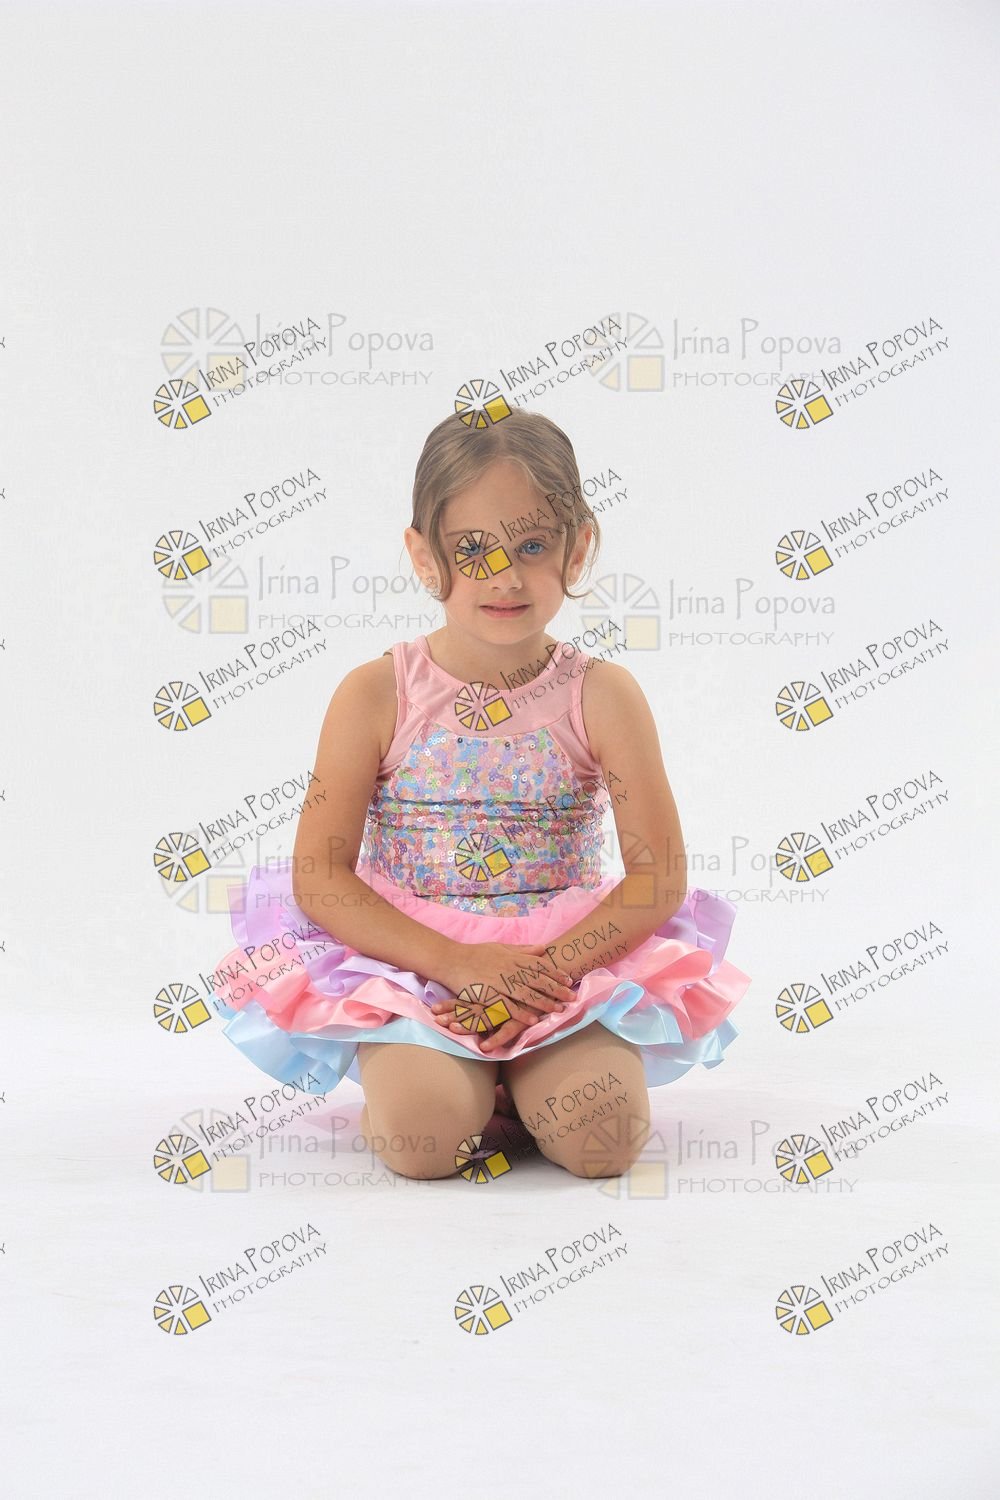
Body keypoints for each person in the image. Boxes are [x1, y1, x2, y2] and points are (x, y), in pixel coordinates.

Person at [211, 408, 751, 1182]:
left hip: (564, 964)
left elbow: (657, 877)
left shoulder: (602, 695)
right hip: (416, 963)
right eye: (473, 549)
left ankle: (520, 1084)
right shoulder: (376, 693)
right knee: (424, 1142)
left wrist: (537, 976)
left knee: (601, 1140)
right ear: (423, 556)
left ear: (578, 548)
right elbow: (320, 875)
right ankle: (436, 1088)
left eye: (533, 546)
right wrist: (458, 963)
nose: (505, 577)